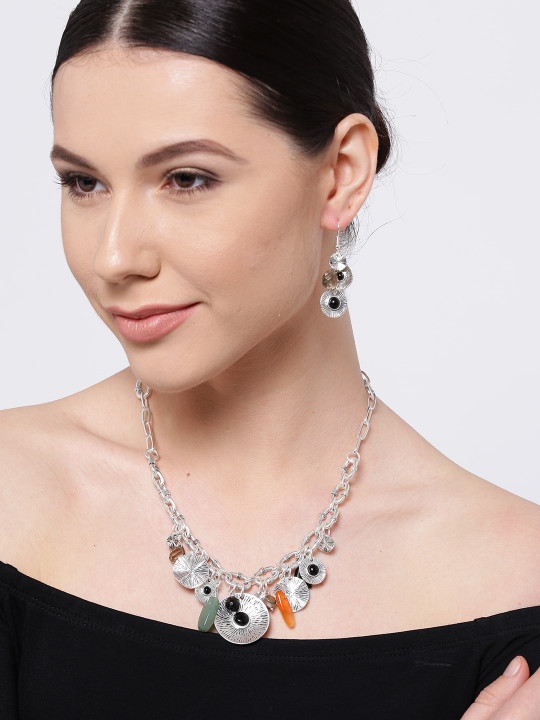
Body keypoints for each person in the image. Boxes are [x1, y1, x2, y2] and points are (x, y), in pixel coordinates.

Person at [0, 0, 539, 717]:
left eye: (186, 178)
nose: (114, 257)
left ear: (342, 173)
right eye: (83, 183)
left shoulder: (516, 580)